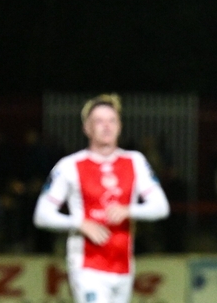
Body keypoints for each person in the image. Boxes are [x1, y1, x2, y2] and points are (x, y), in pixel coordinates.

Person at [33, 94, 170, 303]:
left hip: (123, 265)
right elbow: (42, 215)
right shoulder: (69, 166)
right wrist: (79, 223)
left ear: (120, 126)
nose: (106, 126)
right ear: (86, 128)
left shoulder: (135, 161)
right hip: (87, 265)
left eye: (112, 120)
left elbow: (161, 207)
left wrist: (129, 210)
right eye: (99, 121)